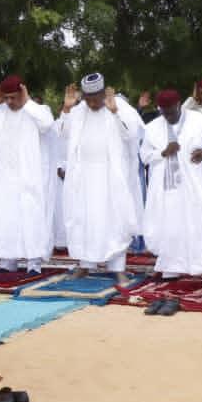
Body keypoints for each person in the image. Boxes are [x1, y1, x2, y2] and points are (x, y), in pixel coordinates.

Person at [140, 90, 202, 286]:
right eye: (164, 112)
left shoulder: (201, 121)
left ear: (179, 104)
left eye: (172, 111)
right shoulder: (152, 128)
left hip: (196, 187)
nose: (168, 116)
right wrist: (163, 152)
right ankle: (171, 271)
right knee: (170, 227)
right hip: (167, 190)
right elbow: (145, 156)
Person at [59, 73, 143, 285]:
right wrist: (67, 110)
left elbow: (131, 136)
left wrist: (115, 112)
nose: (92, 103)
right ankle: (85, 265)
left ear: (103, 92)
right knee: (83, 220)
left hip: (110, 177)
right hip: (84, 178)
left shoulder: (121, 108)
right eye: (87, 99)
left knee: (114, 220)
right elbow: (63, 134)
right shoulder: (77, 111)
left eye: (95, 98)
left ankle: (118, 268)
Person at [0, 75, 55, 275]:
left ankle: (33, 263)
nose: (9, 102)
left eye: (14, 97)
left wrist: (27, 102)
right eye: (6, 98)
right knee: (4, 217)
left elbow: (47, 124)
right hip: (1, 178)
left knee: (30, 217)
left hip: (28, 176)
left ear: (22, 93)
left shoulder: (35, 111)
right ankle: (7, 261)